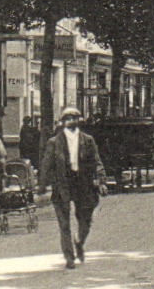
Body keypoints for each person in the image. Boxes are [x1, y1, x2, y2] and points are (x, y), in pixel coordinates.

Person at [40, 106, 106, 269]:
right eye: (68, 119)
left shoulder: (87, 140)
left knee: (85, 219)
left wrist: (101, 179)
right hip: (62, 183)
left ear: (79, 121)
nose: (71, 121)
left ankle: (79, 240)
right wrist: (42, 186)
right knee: (64, 223)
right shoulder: (54, 142)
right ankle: (69, 256)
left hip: (82, 182)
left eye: (74, 118)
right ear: (62, 122)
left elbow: (96, 162)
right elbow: (46, 165)